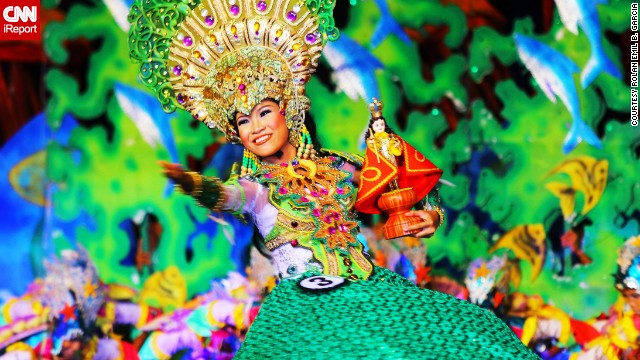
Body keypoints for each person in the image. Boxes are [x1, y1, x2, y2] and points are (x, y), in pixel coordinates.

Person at [128, 0, 537, 357]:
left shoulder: (341, 166)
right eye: (243, 120)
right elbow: (227, 197)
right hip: (304, 309)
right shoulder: (256, 188)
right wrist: (191, 183)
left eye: (264, 112)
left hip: (370, 290)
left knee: (471, 333)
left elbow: (406, 190)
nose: (256, 126)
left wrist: (431, 215)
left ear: (288, 110)